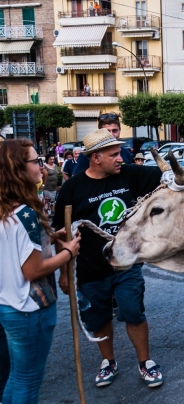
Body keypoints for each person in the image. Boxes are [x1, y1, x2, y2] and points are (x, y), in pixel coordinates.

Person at [53, 129, 164, 388]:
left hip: (126, 263)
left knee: (134, 312)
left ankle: (145, 363)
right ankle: (108, 362)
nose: (120, 159)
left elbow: (168, 178)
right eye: (114, 154)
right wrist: (64, 273)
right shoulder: (73, 188)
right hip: (89, 268)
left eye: (120, 153)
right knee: (99, 318)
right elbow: (61, 233)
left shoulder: (131, 175)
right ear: (96, 158)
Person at [0, 139, 81, 403]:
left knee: (18, 376)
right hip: (30, 308)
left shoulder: (7, 209)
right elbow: (33, 270)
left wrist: (49, 237)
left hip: (10, 306)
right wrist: (69, 252)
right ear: (18, 169)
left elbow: (17, 250)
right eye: (35, 161)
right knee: (28, 381)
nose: (42, 166)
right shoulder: (25, 214)